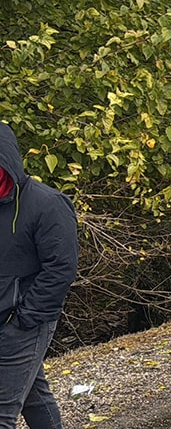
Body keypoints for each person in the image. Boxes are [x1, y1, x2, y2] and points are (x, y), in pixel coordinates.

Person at [0, 123, 78, 428]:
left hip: (25, 323)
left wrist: (26, 317)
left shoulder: (47, 204)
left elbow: (61, 267)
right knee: (34, 397)